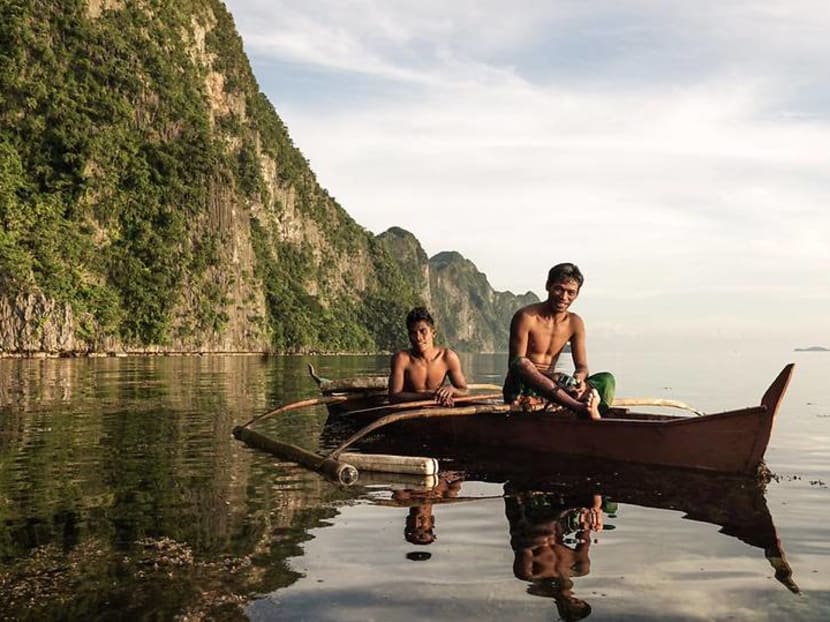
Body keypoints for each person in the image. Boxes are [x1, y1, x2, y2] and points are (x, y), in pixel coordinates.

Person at [503, 263, 615, 419]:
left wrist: (579, 380)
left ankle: (578, 403)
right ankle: (579, 407)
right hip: (523, 387)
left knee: (606, 379)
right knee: (522, 363)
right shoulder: (526, 317)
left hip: (555, 388)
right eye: (559, 289)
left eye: (571, 292)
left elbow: (582, 367)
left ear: (577, 294)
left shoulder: (575, 323)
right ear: (548, 286)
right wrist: (555, 377)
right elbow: (515, 365)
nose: (564, 297)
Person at [388, 307, 469, 407]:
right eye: (413, 333)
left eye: (423, 331)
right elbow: (393, 397)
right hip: (410, 411)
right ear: (409, 336)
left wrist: (452, 390)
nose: (418, 338)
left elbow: (465, 391)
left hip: (437, 410)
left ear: (433, 333)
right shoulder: (402, 359)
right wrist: (427, 395)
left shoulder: (447, 357)